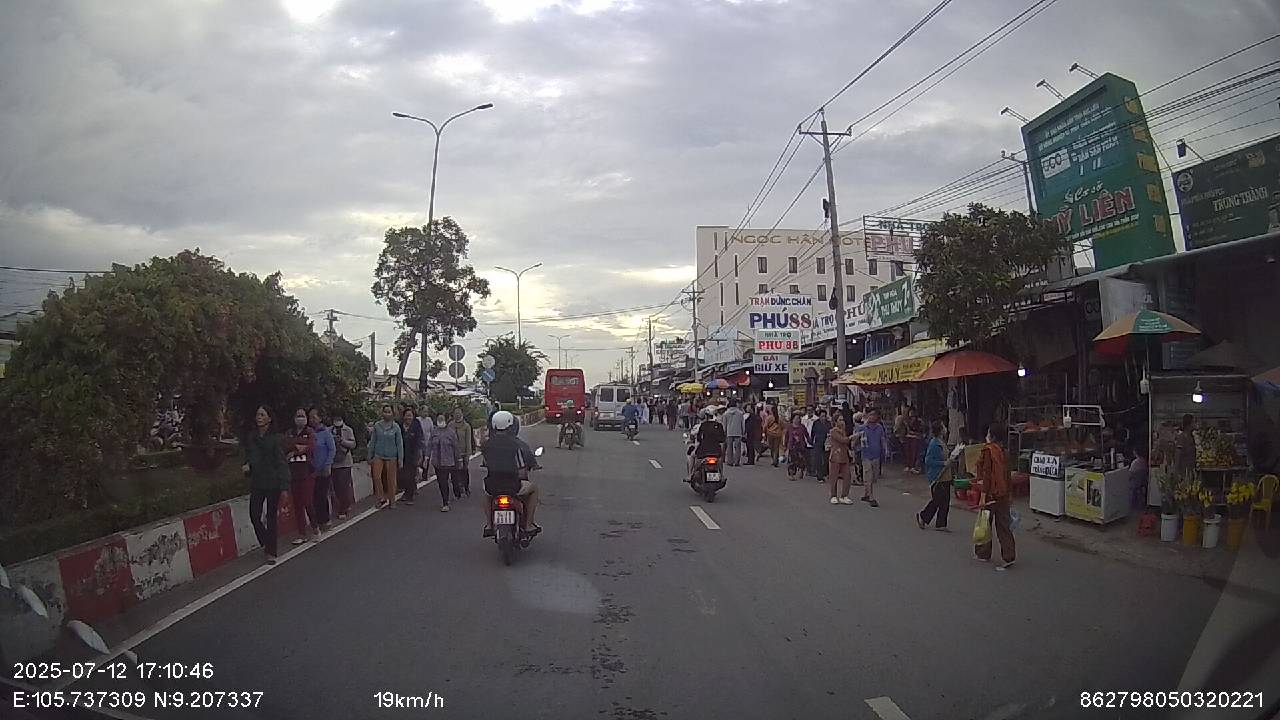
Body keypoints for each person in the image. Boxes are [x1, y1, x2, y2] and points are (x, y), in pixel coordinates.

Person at [480, 410, 542, 537]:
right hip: (513, 486)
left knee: (486, 494)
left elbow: (486, 464)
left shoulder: (486, 445)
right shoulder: (516, 444)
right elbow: (521, 469)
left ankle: (489, 525)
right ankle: (529, 525)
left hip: (492, 486)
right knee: (534, 489)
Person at [242, 406, 290, 564]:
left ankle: (271, 551)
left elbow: (281, 463)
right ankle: (265, 541)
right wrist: (247, 466)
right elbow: (250, 456)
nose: (259, 417)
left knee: (271, 517)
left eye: (262, 415)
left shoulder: (275, 438)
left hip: (273, 482)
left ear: (269, 418)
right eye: (258, 414)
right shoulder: (252, 437)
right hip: (257, 481)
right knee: (254, 515)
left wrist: (284, 486)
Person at [975, 423, 1016, 569]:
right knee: (1004, 526)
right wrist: (1009, 494)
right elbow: (1008, 475)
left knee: (985, 523)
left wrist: (983, 495)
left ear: (992, 436)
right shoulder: (1005, 452)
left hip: (990, 494)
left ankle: (983, 553)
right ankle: (1009, 556)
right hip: (1003, 493)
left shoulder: (988, 451)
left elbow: (987, 474)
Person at [285, 408, 319, 543]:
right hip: (293, 472)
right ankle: (302, 533)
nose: (300, 418)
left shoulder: (310, 432)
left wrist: (297, 450)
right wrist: (298, 447)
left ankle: (315, 528)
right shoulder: (290, 432)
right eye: (298, 416)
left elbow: (311, 446)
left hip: (307, 472)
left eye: (302, 416)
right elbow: (286, 445)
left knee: (307, 501)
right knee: (297, 504)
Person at [917, 420, 957, 530]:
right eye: (943, 426)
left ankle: (941, 524)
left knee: (945, 501)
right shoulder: (934, 444)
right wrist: (943, 463)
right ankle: (923, 516)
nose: (945, 428)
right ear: (940, 430)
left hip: (946, 475)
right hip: (938, 477)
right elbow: (928, 461)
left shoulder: (941, 442)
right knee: (937, 500)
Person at [369, 404, 403, 509]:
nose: (387, 414)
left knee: (391, 479)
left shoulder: (396, 427)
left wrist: (400, 458)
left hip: (392, 455)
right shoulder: (377, 425)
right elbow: (373, 441)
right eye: (385, 412)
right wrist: (370, 455)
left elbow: (399, 444)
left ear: (392, 414)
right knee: (376, 477)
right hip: (378, 454)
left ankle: (392, 500)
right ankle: (381, 498)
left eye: (389, 412)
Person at [307, 408, 336, 532]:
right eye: (310, 417)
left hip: (324, 468)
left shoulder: (325, 433)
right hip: (312, 469)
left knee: (322, 495)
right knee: (314, 496)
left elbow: (332, 449)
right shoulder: (309, 433)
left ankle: (325, 519)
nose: (312, 420)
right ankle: (317, 520)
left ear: (320, 418)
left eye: (314, 417)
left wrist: (328, 464)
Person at [428, 414, 461, 512]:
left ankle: (448, 499)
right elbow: (429, 445)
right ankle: (445, 500)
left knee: (449, 480)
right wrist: (426, 457)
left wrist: (458, 459)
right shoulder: (434, 432)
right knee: (441, 482)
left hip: (449, 461)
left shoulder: (451, 433)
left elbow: (456, 447)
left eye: (442, 419)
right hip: (437, 462)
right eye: (439, 419)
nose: (440, 420)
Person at [330, 412, 356, 521]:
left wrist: (342, 441)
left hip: (345, 462)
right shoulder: (329, 430)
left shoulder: (348, 430)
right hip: (333, 462)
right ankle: (340, 506)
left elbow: (353, 444)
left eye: (339, 418)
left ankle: (343, 509)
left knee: (344, 486)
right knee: (336, 487)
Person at [860, 408, 889, 507]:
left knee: (874, 477)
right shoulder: (863, 428)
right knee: (868, 475)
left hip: (876, 454)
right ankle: (871, 497)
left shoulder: (879, 428)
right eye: (870, 415)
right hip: (866, 454)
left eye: (874, 415)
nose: (872, 417)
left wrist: (886, 449)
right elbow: (856, 440)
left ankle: (866, 493)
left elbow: (883, 439)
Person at [687, 406, 727, 477]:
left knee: (692, 456)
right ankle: (721, 475)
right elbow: (722, 441)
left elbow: (699, 438)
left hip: (704, 450)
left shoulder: (703, 425)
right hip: (716, 450)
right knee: (720, 460)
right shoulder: (719, 425)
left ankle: (690, 474)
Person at [399, 407, 425, 506]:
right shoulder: (400, 426)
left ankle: (410, 496)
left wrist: (420, 453)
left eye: (410, 415)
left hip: (414, 454)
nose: (408, 418)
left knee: (410, 475)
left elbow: (419, 439)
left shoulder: (416, 425)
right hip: (402, 454)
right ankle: (408, 491)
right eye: (407, 415)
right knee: (404, 475)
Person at [827, 415, 853, 504]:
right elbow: (842, 440)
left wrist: (849, 451)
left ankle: (844, 495)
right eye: (840, 420)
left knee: (847, 476)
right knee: (834, 477)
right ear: (836, 421)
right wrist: (850, 437)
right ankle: (833, 495)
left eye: (843, 420)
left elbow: (845, 444)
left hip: (844, 456)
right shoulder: (833, 431)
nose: (842, 422)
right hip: (835, 456)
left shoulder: (843, 431)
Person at [450, 407, 475, 499]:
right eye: (455, 413)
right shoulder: (450, 425)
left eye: (459, 413)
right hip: (453, 453)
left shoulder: (466, 426)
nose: (457, 415)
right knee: (454, 472)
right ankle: (457, 490)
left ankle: (466, 487)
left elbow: (468, 441)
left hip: (463, 452)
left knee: (464, 470)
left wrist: (468, 454)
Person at [786, 413, 810, 481]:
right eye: (796, 418)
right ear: (792, 419)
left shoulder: (802, 427)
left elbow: (807, 435)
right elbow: (786, 436)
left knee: (801, 460)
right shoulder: (789, 427)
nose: (797, 420)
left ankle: (801, 471)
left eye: (798, 418)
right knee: (792, 461)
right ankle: (791, 475)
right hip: (792, 447)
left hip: (801, 446)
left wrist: (810, 442)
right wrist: (785, 446)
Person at [1173, 414, 1197, 480]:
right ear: (1189, 424)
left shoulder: (1191, 437)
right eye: (1194, 422)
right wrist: (1176, 472)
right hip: (1183, 472)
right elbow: (1177, 454)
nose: (1195, 424)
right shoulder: (1182, 437)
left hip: (1191, 470)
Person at [722, 400, 746, 466]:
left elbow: (724, 424)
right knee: (738, 448)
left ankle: (730, 461)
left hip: (729, 432)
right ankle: (737, 461)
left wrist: (724, 432)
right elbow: (742, 423)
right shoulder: (740, 413)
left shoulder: (726, 414)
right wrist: (743, 431)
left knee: (729, 448)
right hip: (738, 432)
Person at [810, 408, 831, 483]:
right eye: (822, 416)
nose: (823, 418)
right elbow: (812, 433)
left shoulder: (828, 423)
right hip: (818, 443)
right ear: (819, 416)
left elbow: (830, 432)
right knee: (818, 460)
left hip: (826, 443)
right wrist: (811, 442)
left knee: (825, 459)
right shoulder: (816, 423)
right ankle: (819, 476)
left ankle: (825, 473)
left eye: (824, 416)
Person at [744, 401, 761, 466]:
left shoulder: (752, 416)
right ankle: (750, 460)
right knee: (750, 447)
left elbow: (750, 425)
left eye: (748, 407)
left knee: (750, 447)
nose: (747, 409)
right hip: (750, 433)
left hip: (751, 433)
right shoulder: (751, 416)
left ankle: (750, 460)